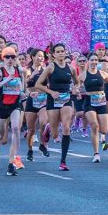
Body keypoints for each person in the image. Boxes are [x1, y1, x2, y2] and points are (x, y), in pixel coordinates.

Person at [34, 43, 79, 171]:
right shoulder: (50, 67)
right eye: (58, 52)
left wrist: (75, 89)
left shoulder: (71, 68)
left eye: (62, 51)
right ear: (53, 54)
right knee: (55, 134)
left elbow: (77, 82)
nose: (61, 53)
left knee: (66, 127)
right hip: (53, 100)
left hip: (66, 99)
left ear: (65, 53)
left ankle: (63, 161)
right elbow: (38, 84)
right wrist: (51, 92)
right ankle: (48, 129)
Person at [0, 46, 25, 175]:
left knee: (15, 128)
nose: (10, 59)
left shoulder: (20, 71)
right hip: (3, 104)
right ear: (3, 58)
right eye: (7, 57)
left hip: (15, 104)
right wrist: (6, 80)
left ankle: (12, 162)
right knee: (0, 135)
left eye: (12, 57)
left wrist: (24, 94)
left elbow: (22, 89)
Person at [80, 52, 108, 164]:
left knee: (104, 130)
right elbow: (75, 87)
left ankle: (102, 140)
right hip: (89, 103)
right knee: (95, 126)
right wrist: (78, 90)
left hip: (101, 103)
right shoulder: (83, 75)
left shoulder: (103, 74)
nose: (94, 62)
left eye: (96, 60)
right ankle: (96, 154)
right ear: (88, 62)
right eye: (92, 60)